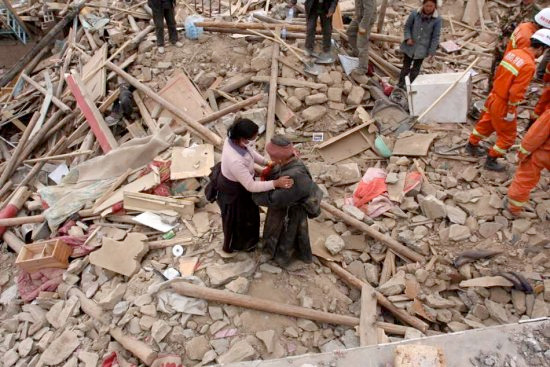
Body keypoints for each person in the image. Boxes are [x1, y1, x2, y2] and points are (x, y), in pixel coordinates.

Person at [465, 29, 550, 171]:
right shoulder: (528, 65)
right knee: (508, 137)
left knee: (487, 123)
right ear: (540, 48)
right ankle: (491, 159)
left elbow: (498, 74)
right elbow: (516, 91)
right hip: (504, 103)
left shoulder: (513, 53)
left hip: (494, 96)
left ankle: (471, 145)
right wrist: (511, 110)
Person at [217, 119, 294, 253]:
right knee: (240, 220)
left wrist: (266, 162)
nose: (254, 141)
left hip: (242, 181)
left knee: (251, 215)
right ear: (242, 138)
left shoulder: (235, 141)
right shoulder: (235, 160)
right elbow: (251, 186)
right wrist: (275, 183)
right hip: (235, 190)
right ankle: (241, 245)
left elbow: (250, 152)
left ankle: (251, 240)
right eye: (252, 138)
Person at [252, 136, 322, 267]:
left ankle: (282, 258)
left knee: (286, 234)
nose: (271, 159)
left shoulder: (294, 176)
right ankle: (273, 250)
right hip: (284, 206)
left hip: (290, 211)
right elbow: (274, 174)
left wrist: (254, 194)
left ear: (279, 158)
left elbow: (276, 199)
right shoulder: (289, 161)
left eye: (272, 156)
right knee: (276, 229)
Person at [489, 0, 540, 91]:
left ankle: (501, 92)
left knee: (509, 72)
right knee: (496, 68)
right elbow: (503, 21)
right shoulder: (514, 7)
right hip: (502, 44)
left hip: (517, 47)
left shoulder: (536, 13)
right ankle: (491, 90)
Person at [507, 108, 550, 215]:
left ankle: (514, 208)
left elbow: (535, 135)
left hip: (544, 154)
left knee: (525, 177)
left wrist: (522, 153)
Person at [397, 0, 442, 89]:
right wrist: (408, 38)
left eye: (431, 6)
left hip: (422, 48)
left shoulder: (437, 19)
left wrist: (431, 52)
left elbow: (435, 37)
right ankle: (400, 85)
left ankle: (410, 87)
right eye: (427, 6)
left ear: (435, 6)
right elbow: (407, 27)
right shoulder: (415, 14)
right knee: (405, 67)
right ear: (423, 5)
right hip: (410, 46)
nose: (428, 8)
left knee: (415, 70)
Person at [347, 0, 376, 79]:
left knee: (362, 43)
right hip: (359, 17)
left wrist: (363, 26)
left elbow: (369, 11)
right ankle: (356, 53)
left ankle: (363, 68)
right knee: (350, 31)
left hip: (366, 19)